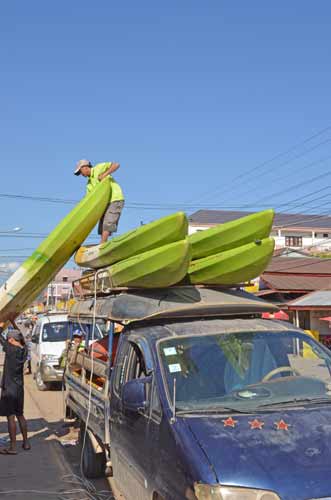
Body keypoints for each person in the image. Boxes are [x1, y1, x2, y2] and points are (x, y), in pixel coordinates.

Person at [74, 159, 125, 243]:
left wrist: (105, 174)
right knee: (102, 227)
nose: (81, 174)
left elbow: (116, 164)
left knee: (108, 223)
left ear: (85, 167)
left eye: (80, 171)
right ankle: (104, 243)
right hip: (103, 204)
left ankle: (102, 244)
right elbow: (89, 199)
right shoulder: (89, 184)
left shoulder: (99, 168)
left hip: (114, 198)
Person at [0, 324, 30, 454]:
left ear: (11, 340)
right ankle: (26, 442)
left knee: (11, 417)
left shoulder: (10, 349)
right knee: (20, 415)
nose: (6, 341)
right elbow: (22, 339)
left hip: (9, 389)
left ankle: (12, 447)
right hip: (19, 388)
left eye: (8, 339)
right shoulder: (24, 350)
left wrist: (1, 326)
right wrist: (13, 322)